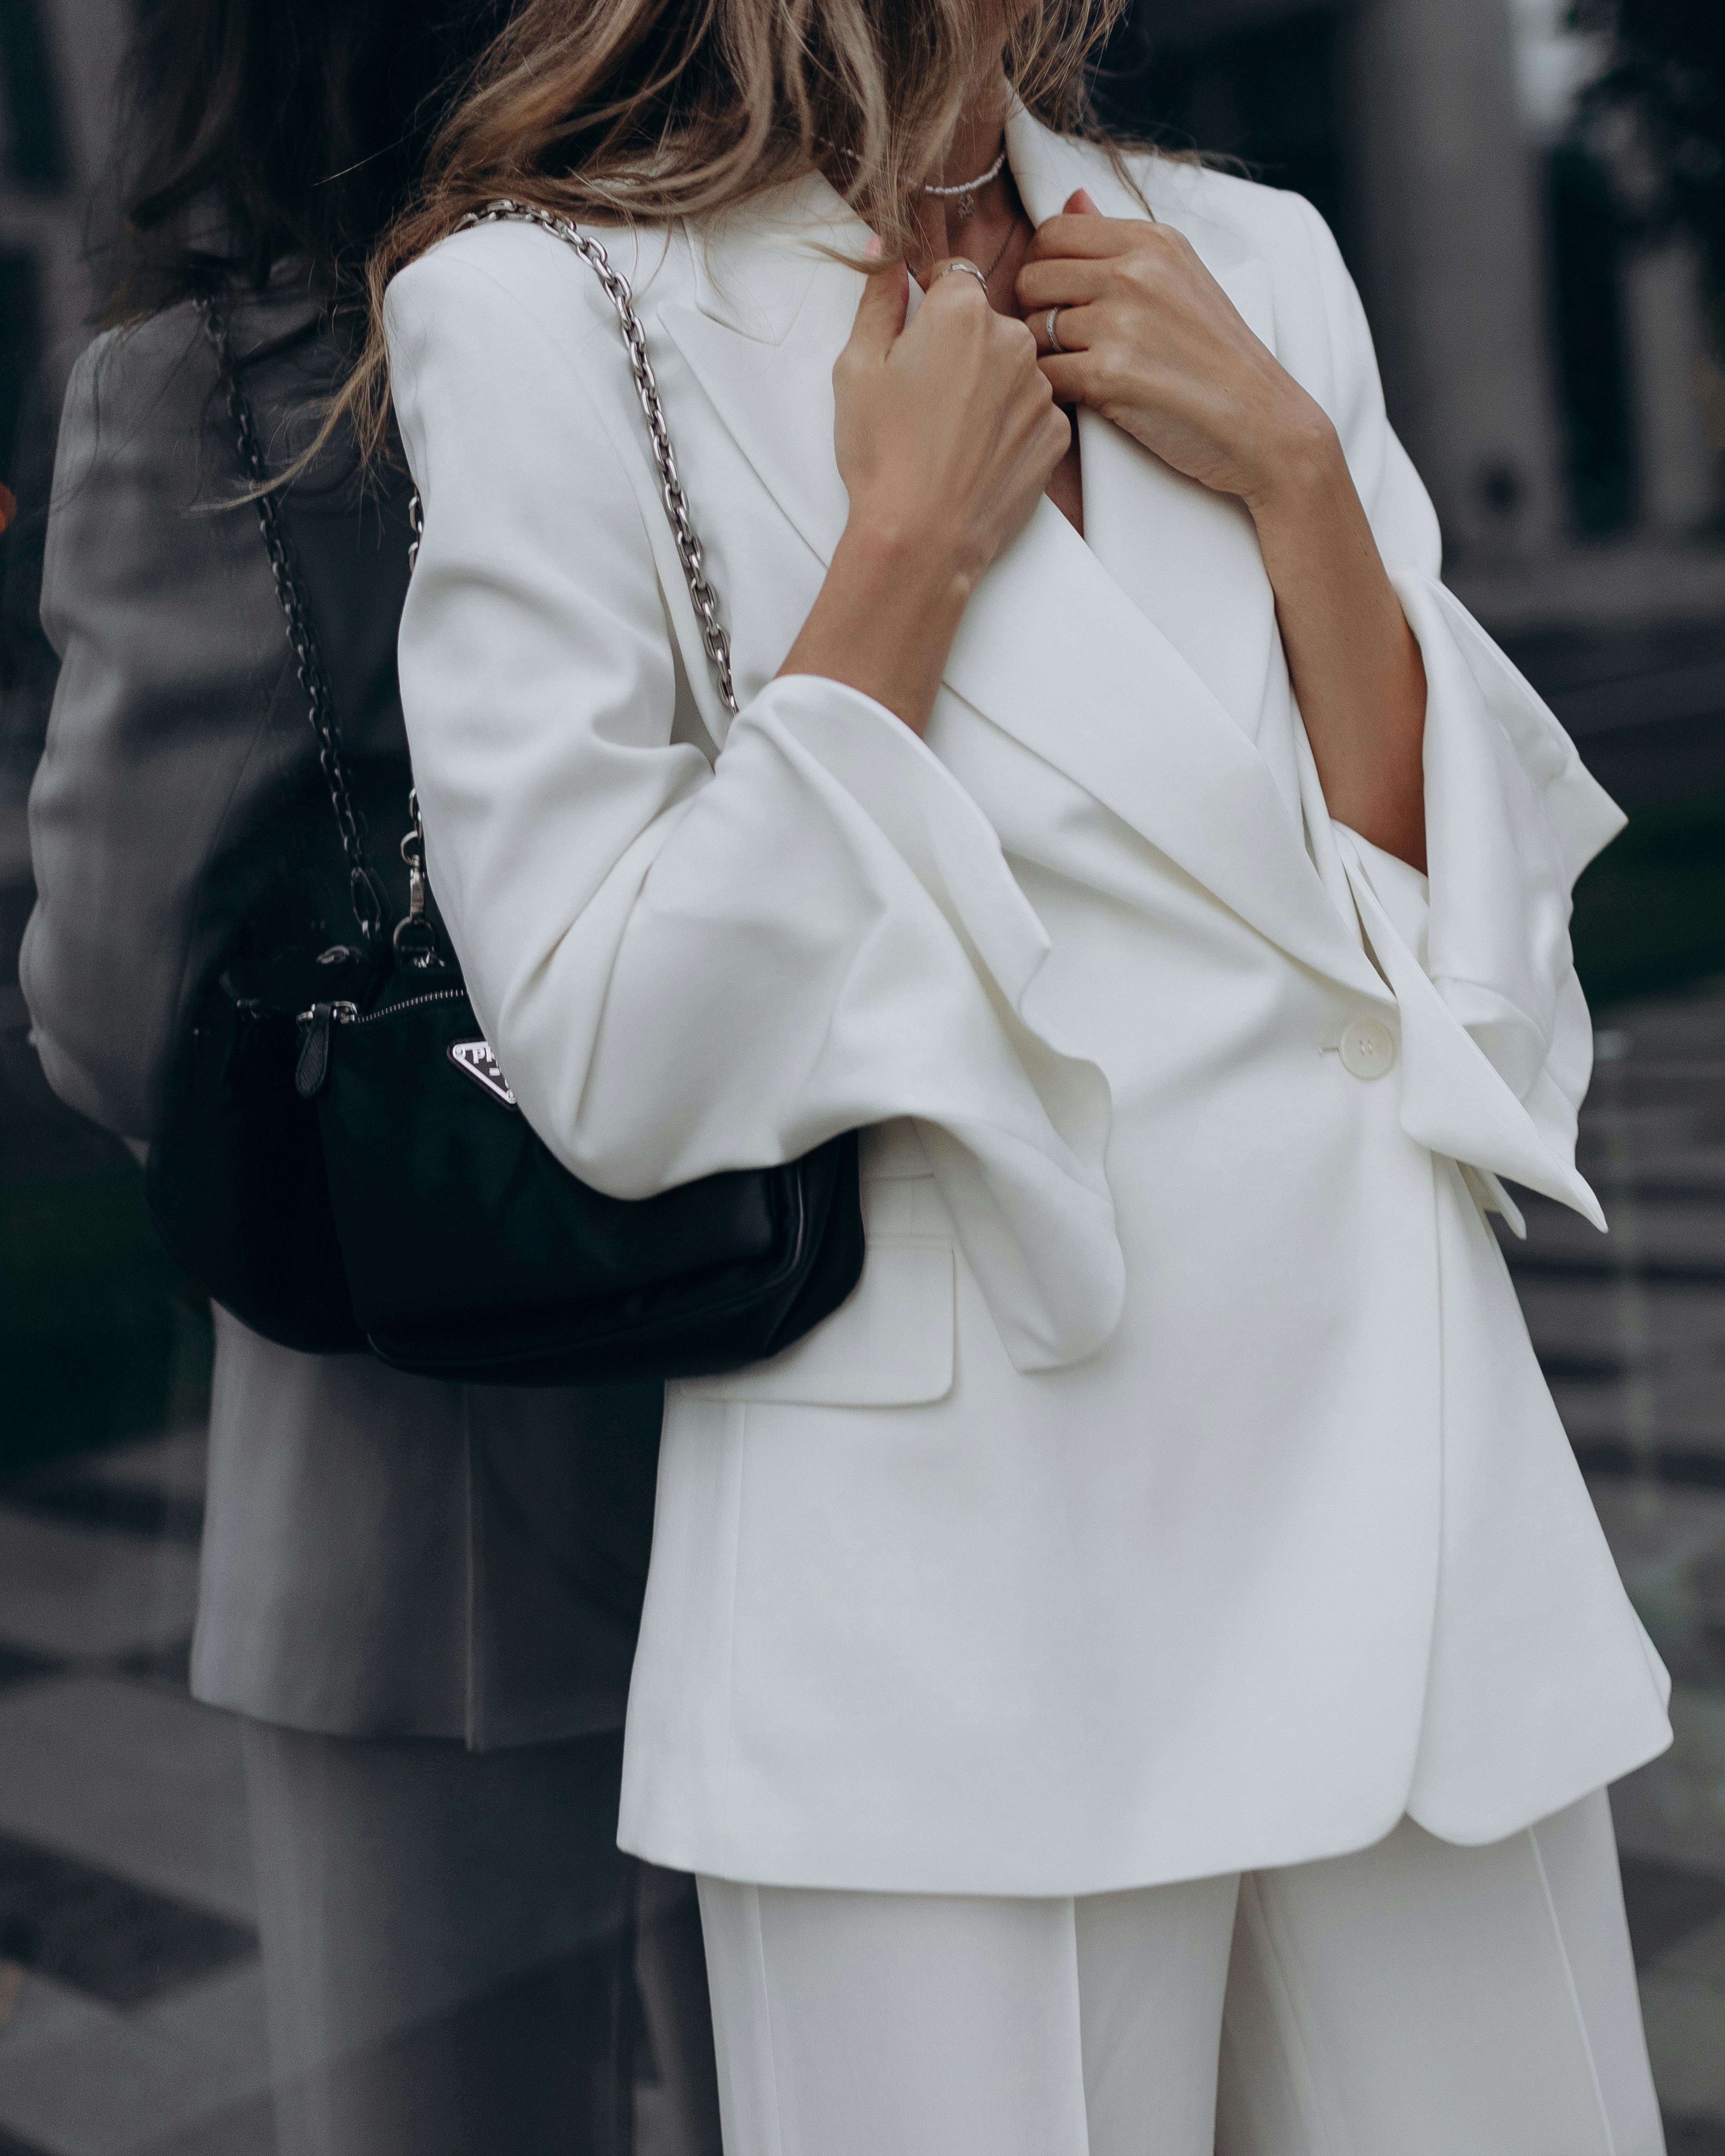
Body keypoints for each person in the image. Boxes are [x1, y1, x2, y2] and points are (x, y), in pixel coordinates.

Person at [364, 0, 1671, 2148]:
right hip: (950, 1619)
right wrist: (904, 556)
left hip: (1413, 1528)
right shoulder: (539, 318)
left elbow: (1483, 996)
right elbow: (608, 1049)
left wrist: (1298, 481)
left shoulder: (1251, 263)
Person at [20, 3, 720, 2151]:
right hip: (805, 1397)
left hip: (422, 1486)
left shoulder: (223, 390)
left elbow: (119, 1001)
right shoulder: (734, 313)